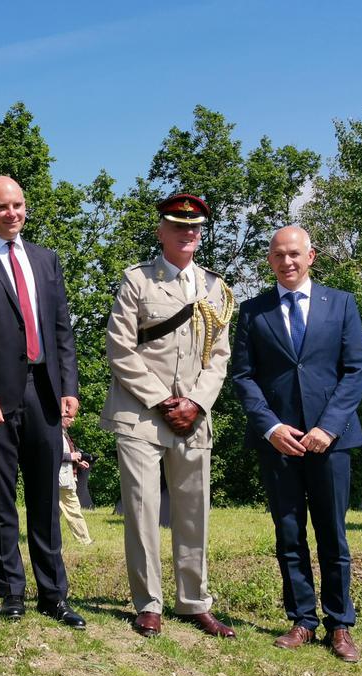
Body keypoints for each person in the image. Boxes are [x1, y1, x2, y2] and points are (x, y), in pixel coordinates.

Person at [0, 176, 86, 629]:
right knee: (1, 496)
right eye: (2, 207)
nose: (12, 213)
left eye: (19, 205)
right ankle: (10, 592)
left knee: (46, 497)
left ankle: (54, 594)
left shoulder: (46, 260)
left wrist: (69, 386)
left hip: (44, 389)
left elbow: (61, 328)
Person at [231, 225, 362, 663]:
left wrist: (328, 427)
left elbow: (355, 370)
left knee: (333, 533)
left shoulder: (341, 303)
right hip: (279, 442)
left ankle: (340, 623)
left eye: (294, 254)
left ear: (311, 256)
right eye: (277, 255)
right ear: (269, 260)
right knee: (289, 533)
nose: (286, 262)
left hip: (331, 441)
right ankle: (302, 621)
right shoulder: (253, 311)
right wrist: (271, 427)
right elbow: (244, 376)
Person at [101, 193, 236, 639]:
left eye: (195, 228)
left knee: (194, 511)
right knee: (142, 511)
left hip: (193, 416)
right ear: (161, 231)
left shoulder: (216, 289)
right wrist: (163, 401)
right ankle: (149, 604)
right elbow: (120, 349)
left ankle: (194, 601)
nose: (188, 234)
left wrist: (196, 403)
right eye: (178, 226)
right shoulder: (137, 282)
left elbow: (219, 355)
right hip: (141, 414)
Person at [58, 420, 93, 544]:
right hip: (62, 481)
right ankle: (85, 541)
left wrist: (77, 463)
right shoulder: (55, 433)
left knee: (54, 512)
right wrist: (70, 457)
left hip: (64, 479)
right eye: (70, 417)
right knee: (74, 510)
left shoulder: (64, 433)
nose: (73, 420)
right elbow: (50, 453)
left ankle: (44, 538)